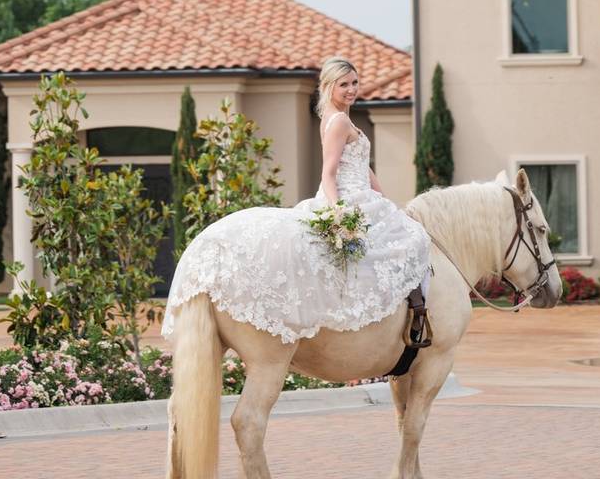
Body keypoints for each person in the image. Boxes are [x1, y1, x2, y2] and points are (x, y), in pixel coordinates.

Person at [162, 57, 431, 344]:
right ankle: (414, 316)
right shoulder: (338, 121)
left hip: (364, 193)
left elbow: (361, 165)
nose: (352, 89)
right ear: (329, 86)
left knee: (398, 240)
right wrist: (338, 210)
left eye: (354, 82)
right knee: (413, 240)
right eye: (344, 84)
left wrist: (383, 197)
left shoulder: (336, 117)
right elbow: (328, 173)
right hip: (350, 197)